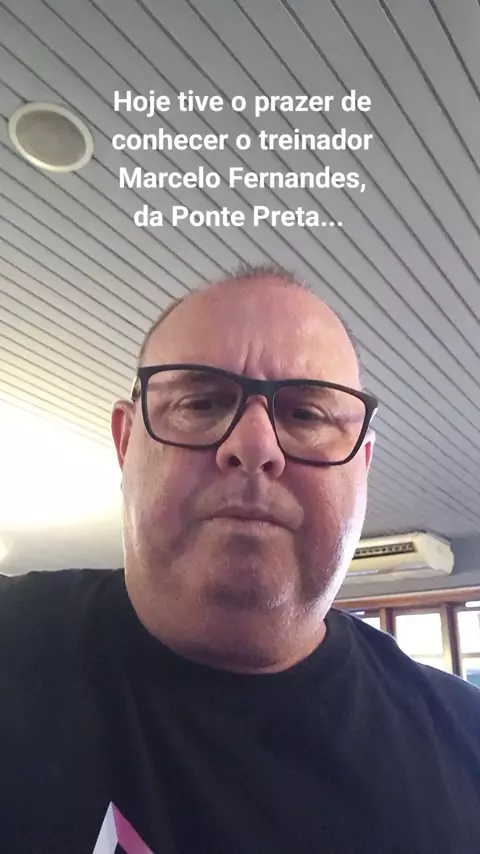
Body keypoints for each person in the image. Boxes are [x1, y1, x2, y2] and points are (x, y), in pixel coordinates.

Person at [1, 263, 479, 854]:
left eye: (306, 415)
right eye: (201, 403)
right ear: (126, 443)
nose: (253, 446)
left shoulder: (468, 744)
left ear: (362, 465)